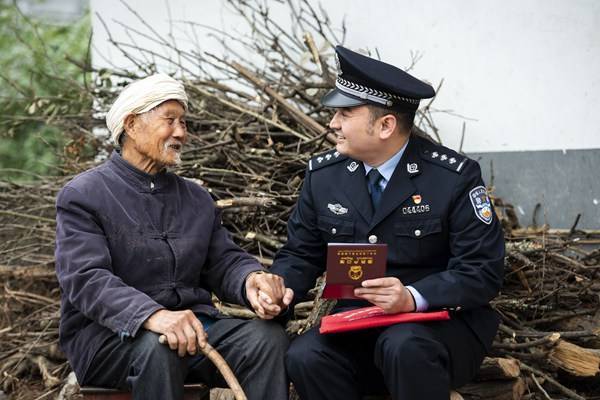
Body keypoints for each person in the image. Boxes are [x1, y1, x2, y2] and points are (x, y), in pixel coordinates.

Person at [269, 46, 505, 400]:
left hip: (439, 327)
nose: (333, 124)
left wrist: (412, 297)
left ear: (385, 125)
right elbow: (301, 255)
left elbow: (481, 271)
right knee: (306, 356)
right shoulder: (325, 176)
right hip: (358, 323)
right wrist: (281, 289)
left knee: (403, 345)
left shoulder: (452, 177)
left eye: (345, 113)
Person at [55, 73, 293, 400]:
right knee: (158, 347)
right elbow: (86, 278)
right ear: (132, 124)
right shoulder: (83, 195)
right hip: (110, 339)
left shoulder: (196, 199)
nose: (181, 132)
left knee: (266, 340)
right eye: (170, 120)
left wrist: (251, 280)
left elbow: (223, 261)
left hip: (196, 329)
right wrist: (152, 316)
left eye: (183, 122)